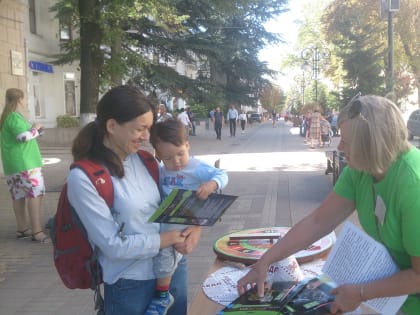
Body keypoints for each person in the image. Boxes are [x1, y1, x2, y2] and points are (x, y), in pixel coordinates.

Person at [237, 95, 420, 315]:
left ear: (371, 146)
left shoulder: (413, 186)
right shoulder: (360, 168)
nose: (339, 147)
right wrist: (265, 261)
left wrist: (361, 292)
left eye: (346, 141)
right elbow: (318, 221)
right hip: (395, 295)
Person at [67, 85, 201, 315]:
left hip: (173, 269)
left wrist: (194, 229)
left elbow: (176, 201)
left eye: (149, 128)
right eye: (140, 129)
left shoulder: (147, 161)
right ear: (112, 126)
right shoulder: (85, 177)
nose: (147, 137)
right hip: (130, 283)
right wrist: (167, 238)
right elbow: (112, 247)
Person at [148, 118, 228, 315]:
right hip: (168, 218)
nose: (175, 162)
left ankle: (162, 296)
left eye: (180, 154)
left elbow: (222, 174)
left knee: (165, 253)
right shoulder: (161, 171)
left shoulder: (196, 167)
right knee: (168, 254)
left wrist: (211, 185)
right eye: (167, 158)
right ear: (158, 155)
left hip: (183, 220)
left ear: (187, 145)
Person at [0, 88, 49, 243]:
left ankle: (22, 229)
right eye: (24, 98)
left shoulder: (7, 117)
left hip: (12, 165)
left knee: (19, 195)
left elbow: (25, 135)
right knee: (35, 194)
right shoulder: (14, 117)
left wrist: (36, 130)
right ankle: (37, 231)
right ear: (20, 99)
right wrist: (36, 128)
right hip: (26, 163)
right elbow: (22, 137)